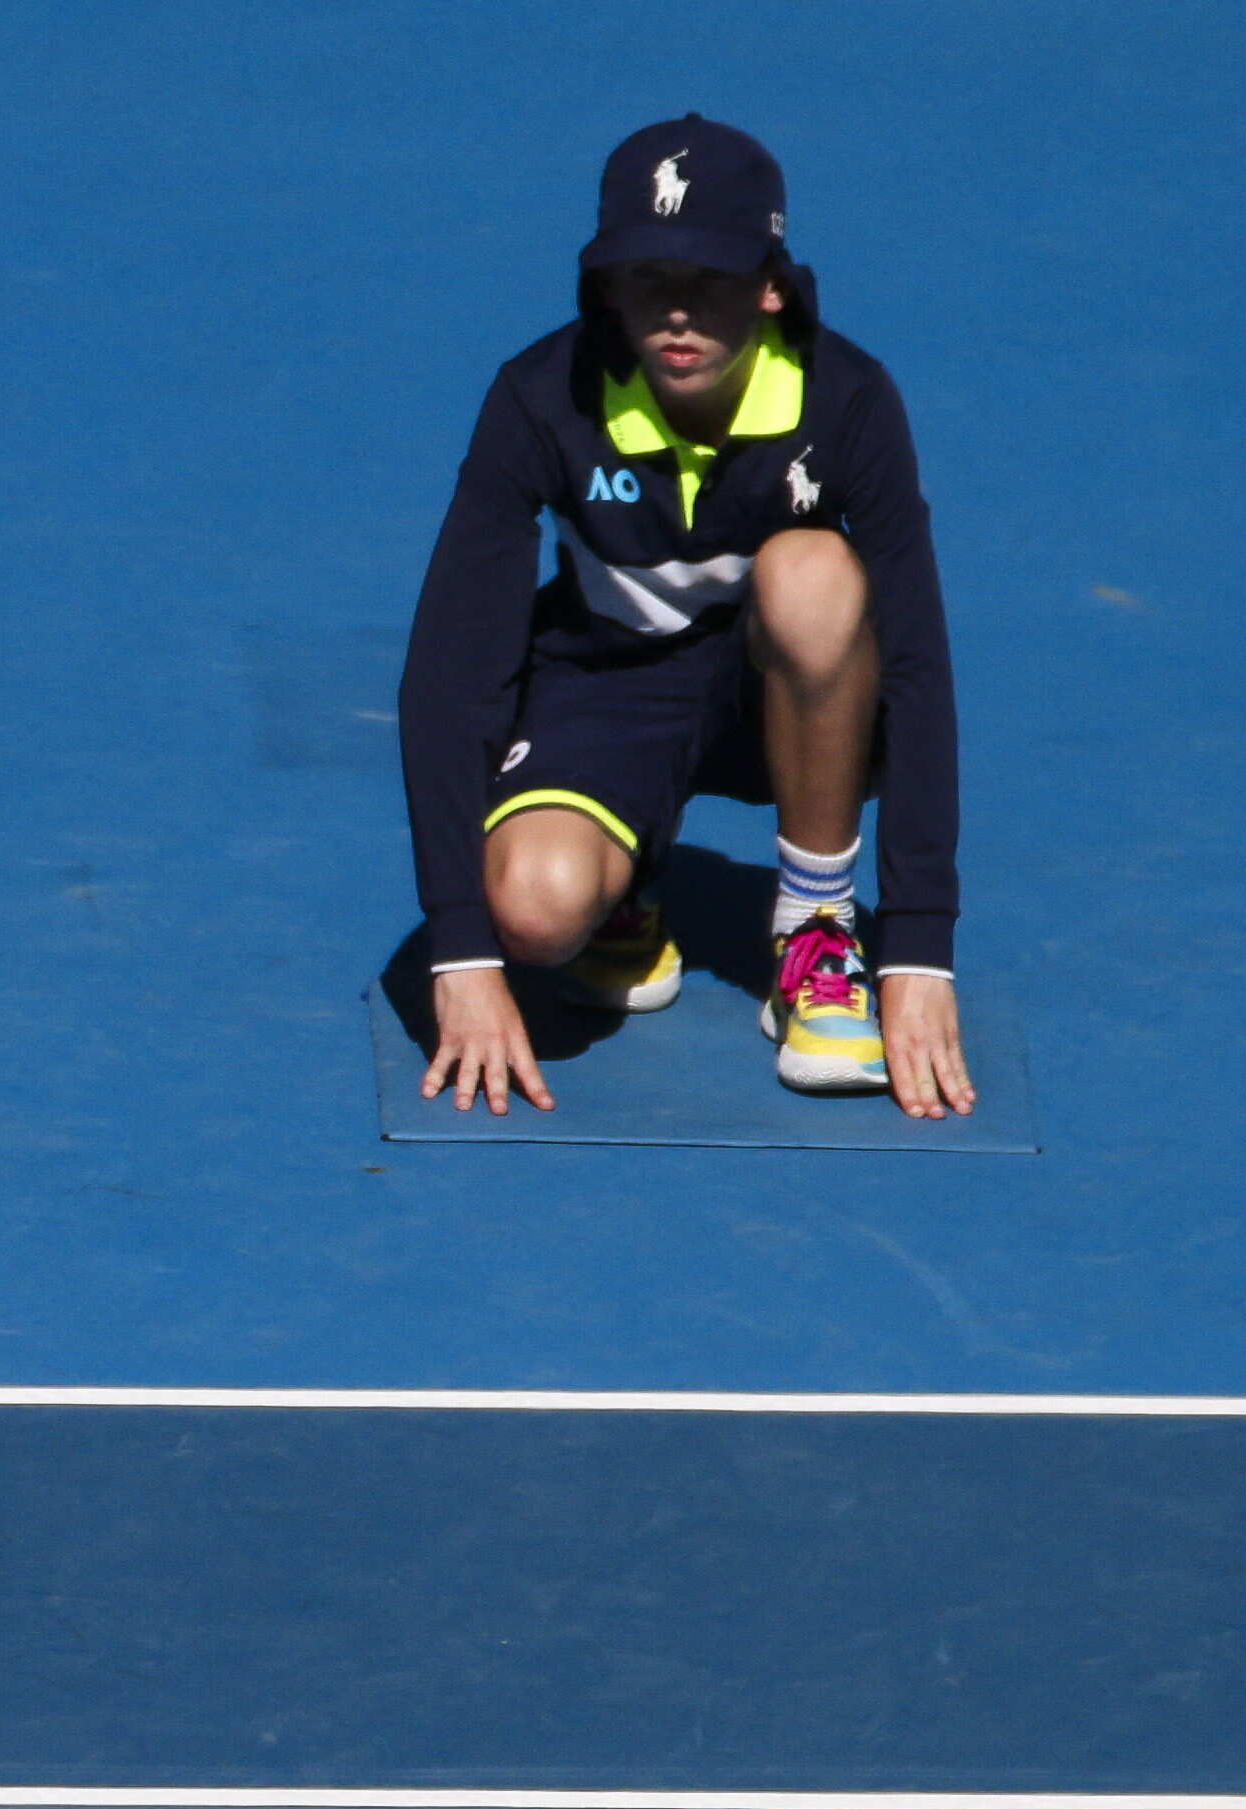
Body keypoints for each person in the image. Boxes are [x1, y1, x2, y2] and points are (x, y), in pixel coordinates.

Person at [403, 115, 975, 1120]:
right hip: (607, 688)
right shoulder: (542, 399)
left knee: (811, 569)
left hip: (789, 699)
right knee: (533, 913)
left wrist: (920, 948)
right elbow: (455, 668)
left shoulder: (847, 401)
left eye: (708, 279)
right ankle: (623, 880)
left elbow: (919, 661)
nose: (676, 313)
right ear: (605, 290)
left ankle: (816, 926)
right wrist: (461, 945)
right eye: (645, 277)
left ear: (769, 284)